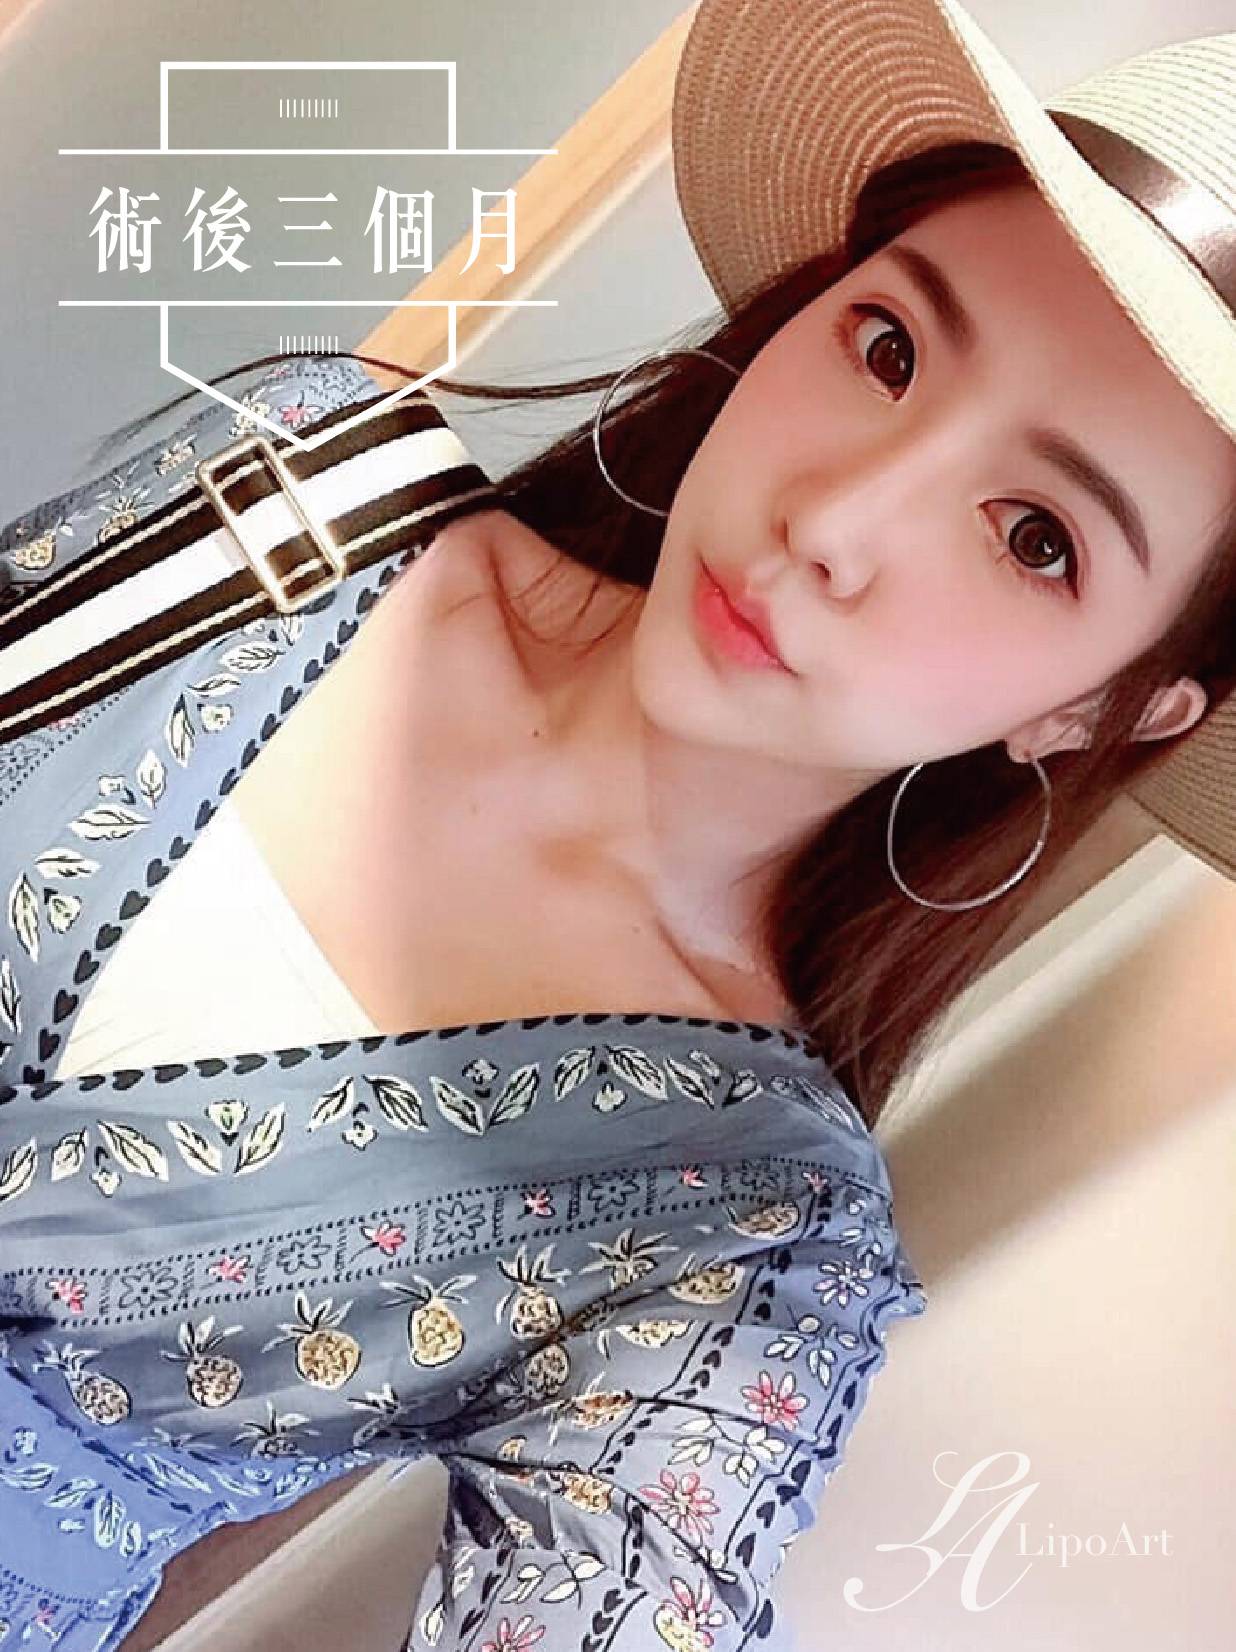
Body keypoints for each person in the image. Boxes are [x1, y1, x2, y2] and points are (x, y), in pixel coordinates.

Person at [1, 2, 1234, 1648]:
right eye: (888, 349)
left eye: (1035, 536)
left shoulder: (738, 1231)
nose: (835, 518)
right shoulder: (306, 478)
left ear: (1098, 714)